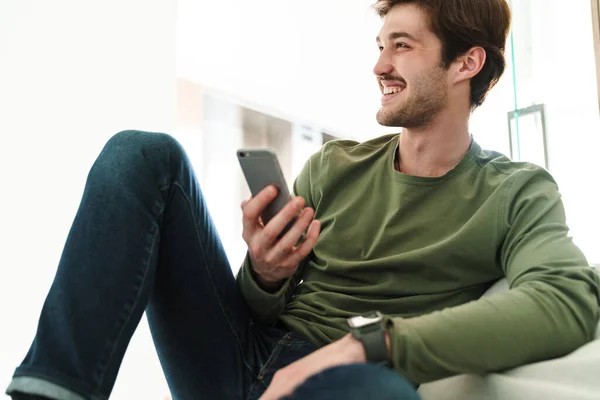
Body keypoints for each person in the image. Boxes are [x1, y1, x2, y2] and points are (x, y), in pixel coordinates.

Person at [7, 0, 600, 399]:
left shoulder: (518, 191)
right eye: (379, 43)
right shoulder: (335, 165)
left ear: (465, 63)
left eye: (402, 46)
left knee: (380, 393)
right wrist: (264, 275)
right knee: (142, 153)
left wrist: (369, 344)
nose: (379, 64)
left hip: (348, 376)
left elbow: (568, 298)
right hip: (238, 357)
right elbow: (258, 310)